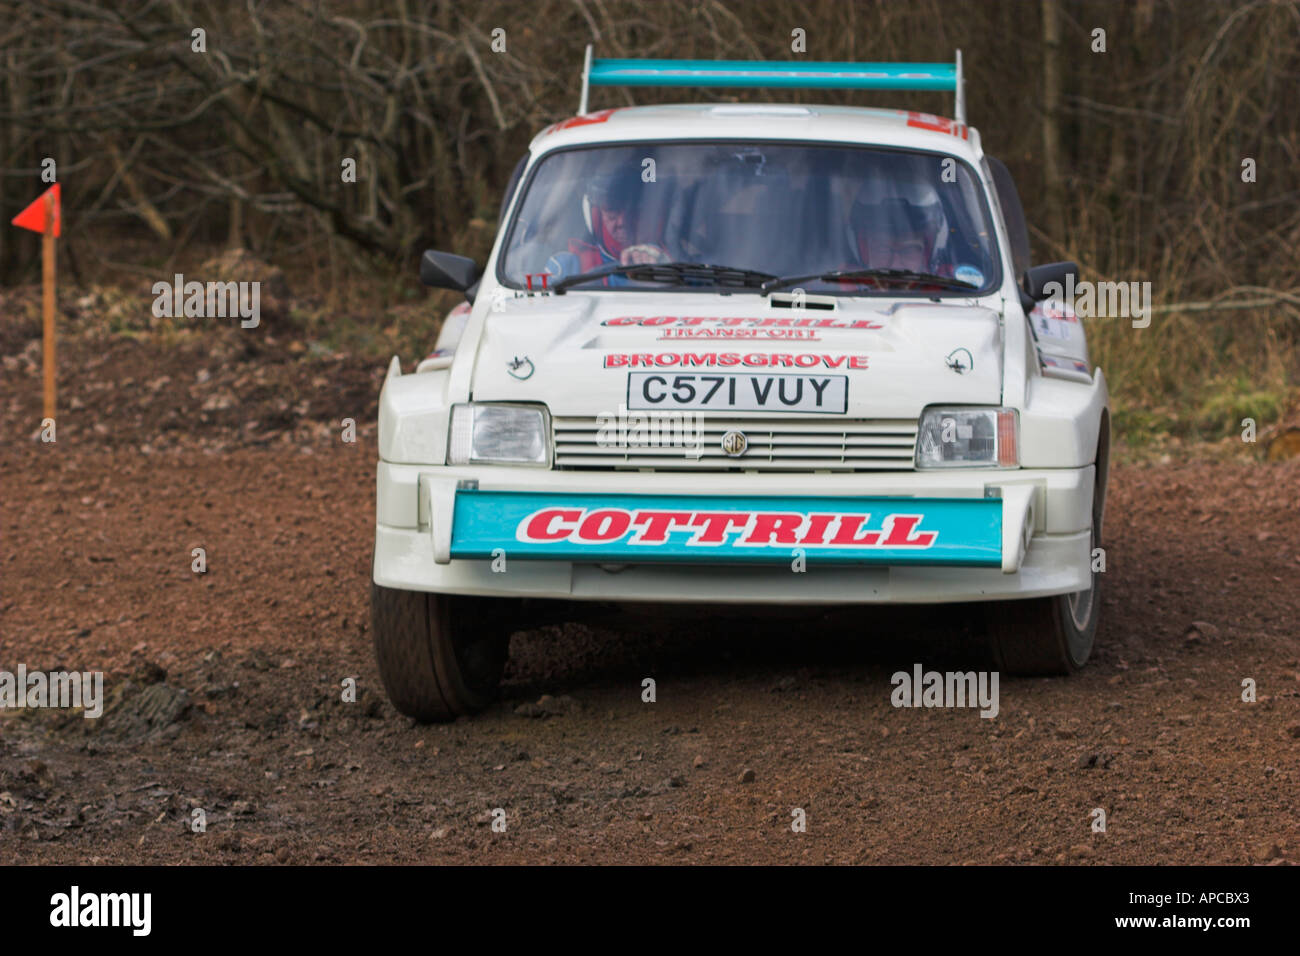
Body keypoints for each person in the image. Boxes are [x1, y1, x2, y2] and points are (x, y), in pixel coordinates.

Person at [543, 167, 670, 284]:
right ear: (596, 215)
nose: (622, 222)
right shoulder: (567, 268)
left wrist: (666, 269)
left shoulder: (677, 264)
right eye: (612, 213)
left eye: (633, 212)